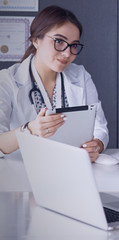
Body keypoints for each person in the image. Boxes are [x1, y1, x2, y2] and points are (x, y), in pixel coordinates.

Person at [0, 5, 109, 162]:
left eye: (73, 45)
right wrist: (29, 130)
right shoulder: (7, 80)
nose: (67, 53)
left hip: (71, 168)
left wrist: (96, 146)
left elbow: (100, 128)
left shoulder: (81, 76)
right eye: (59, 41)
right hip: (22, 172)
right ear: (36, 40)